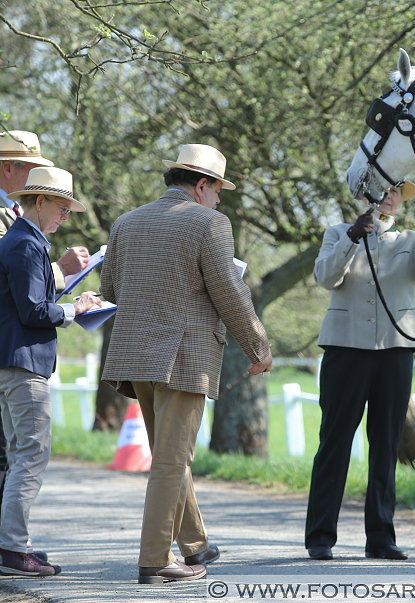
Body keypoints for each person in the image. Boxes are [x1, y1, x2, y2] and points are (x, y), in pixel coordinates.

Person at [100, 143, 273, 585]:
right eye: (218, 190)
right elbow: (229, 293)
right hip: (184, 357)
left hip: (135, 355)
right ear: (202, 185)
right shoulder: (209, 222)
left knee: (169, 455)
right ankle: (155, 560)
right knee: (171, 461)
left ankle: (195, 542)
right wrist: (258, 346)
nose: (219, 200)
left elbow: (111, 289)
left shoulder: (124, 223)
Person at [0, 131, 90, 570]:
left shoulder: (10, 215)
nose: (38, 182)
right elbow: (11, 276)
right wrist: (64, 278)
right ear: (10, 169)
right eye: (35, 172)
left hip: (2, 342)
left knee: (6, 446)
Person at [0, 167, 102, 576]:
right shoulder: (28, 244)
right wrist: (75, 310)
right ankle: (12, 548)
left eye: (69, 210)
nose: (65, 216)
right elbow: (33, 311)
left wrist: (67, 297)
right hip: (20, 362)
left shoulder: (20, 240)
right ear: (40, 201)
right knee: (32, 453)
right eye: (62, 208)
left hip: (3, 359)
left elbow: (27, 299)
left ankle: (9, 545)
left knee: (20, 453)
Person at [305, 182, 415, 561]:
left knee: (386, 444)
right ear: (363, 197)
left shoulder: (413, 240)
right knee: (334, 441)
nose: (390, 197)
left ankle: (380, 536)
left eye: (396, 192)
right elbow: (325, 277)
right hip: (345, 349)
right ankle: (320, 536)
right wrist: (351, 238)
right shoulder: (336, 233)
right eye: (382, 191)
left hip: (395, 351)